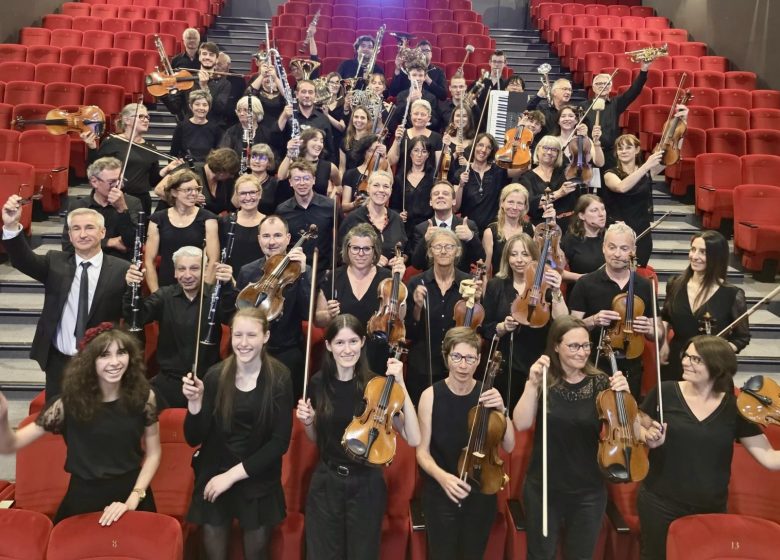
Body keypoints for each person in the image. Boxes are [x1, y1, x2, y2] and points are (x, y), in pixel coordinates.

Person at [637, 335, 780, 560]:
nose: (685, 362)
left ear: (717, 366)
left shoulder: (735, 408)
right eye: (686, 356)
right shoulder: (665, 392)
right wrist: (646, 436)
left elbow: (770, 458)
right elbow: (637, 422)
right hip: (660, 503)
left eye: (696, 359)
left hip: (709, 507)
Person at [0, 325, 159, 524]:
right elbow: (10, 444)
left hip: (132, 495)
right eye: (104, 355)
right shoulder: (67, 404)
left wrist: (134, 498)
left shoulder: (144, 397)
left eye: (121, 353)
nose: (115, 362)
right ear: (90, 362)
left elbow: (154, 454)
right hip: (84, 500)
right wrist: (2, 417)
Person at [296, 313, 419, 560]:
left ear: (362, 342)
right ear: (328, 345)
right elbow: (317, 439)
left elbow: (414, 438)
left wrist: (401, 384)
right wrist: (308, 421)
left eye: (353, 341)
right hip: (327, 482)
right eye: (340, 343)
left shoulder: (377, 385)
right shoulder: (318, 383)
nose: (347, 349)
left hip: (366, 485)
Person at [512, 316, 631, 560]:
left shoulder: (600, 382)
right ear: (556, 346)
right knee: (540, 555)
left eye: (586, 345)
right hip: (544, 488)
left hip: (588, 490)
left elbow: (627, 428)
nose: (582, 352)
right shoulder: (544, 379)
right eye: (574, 346)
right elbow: (521, 423)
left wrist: (625, 397)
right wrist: (531, 385)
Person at [182, 307, 292, 559]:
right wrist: (195, 403)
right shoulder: (215, 376)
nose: (243, 343)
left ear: (265, 336)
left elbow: (279, 443)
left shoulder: (280, 378)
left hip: (256, 475)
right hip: (215, 472)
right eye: (237, 335)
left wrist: (231, 476)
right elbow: (193, 438)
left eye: (251, 335)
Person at [2, 203, 129, 399]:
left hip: (102, 363)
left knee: (98, 415)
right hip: (58, 362)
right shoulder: (55, 261)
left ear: (102, 232)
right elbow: (22, 260)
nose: (82, 234)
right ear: (70, 235)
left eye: (89, 227)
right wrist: (11, 226)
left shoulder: (122, 269)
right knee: (58, 415)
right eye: (76, 229)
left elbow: (132, 315)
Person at [416, 326, 514, 559]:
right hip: (441, 492)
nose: (463, 365)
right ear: (446, 357)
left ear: (479, 360)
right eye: (456, 357)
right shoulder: (430, 396)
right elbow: (422, 453)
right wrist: (443, 478)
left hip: (480, 489)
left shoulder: (488, 395)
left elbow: (510, 446)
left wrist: (502, 409)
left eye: (470, 358)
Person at [124, 246, 230, 408]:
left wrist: (229, 286)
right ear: (175, 272)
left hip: (207, 382)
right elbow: (136, 318)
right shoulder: (164, 296)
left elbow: (234, 318)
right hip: (169, 382)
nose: (187, 275)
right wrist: (132, 287)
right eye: (181, 269)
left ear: (205, 271)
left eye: (194, 268)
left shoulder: (216, 296)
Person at [221, 215, 311, 400]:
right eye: (266, 236)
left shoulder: (302, 271)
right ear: (259, 239)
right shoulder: (248, 271)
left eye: (277, 235)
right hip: (253, 350)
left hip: (287, 349)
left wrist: (302, 274)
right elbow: (238, 313)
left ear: (288, 238)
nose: (271, 242)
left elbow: (306, 312)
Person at [568, 222, 658, 398]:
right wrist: (593, 320)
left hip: (632, 367)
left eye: (624, 248)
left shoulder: (645, 286)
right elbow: (571, 329)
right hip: (593, 365)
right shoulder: (585, 283)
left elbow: (658, 333)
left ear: (633, 251)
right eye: (612, 247)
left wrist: (649, 329)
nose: (617, 254)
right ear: (603, 248)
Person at [484, 233, 568, 409]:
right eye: (514, 254)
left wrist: (556, 291)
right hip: (507, 362)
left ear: (534, 257)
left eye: (525, 254)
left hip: (540, 358)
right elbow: (486, 328)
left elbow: (563, 321)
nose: (519, 260)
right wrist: (502, 327)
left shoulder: (546, 284)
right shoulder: (496, 285)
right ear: (507, 258)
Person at [314, 224, 406, 373]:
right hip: (342, 354)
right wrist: (328, 314)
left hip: (376, 354)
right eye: (355, 248)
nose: (361, 253)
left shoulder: (387, 278)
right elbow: (318, 319)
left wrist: (398, 283)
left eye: (366, 249)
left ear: (375, 251)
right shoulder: (333, 277)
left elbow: (399, 318)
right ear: (347, 249)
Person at [660, 231, 749, 382]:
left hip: (711, 368)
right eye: (693, 249)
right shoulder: (675, 284)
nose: (694, 256)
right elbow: (666, 318)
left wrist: (719, 352)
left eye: (703, 252)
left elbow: (742, 337)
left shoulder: (732, 295)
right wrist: (663, 343)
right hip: (676, 361)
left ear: (717, 257)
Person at [405, 230, 473, 405]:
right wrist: (417, 306)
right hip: (422, 364)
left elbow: (472, 330)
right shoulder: (416, 283)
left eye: (449, 247)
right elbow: (409, 332)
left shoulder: (468, 283)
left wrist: (476, 302)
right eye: (438, 247)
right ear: (430, 251)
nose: (443, 251)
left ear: (457, 251)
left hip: (457, 365)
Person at [82, 103, 183, 215]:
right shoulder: (112, 141)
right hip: (115, 197)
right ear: (127, 120)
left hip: (142, 200)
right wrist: (92, 148)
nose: (146, 120)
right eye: (141, 116)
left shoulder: (151, 147)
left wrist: (166, 169)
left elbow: (152, 181)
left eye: (147, 117)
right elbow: (95, 171)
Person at [145, 170, 219, 291]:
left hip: (197, 286)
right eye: (188, 190)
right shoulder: (158, 219)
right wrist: (156, 294)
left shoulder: (209, 219)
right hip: (166, 285)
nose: (194, 193)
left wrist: (204, 293)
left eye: (197, 189)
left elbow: (213, 260)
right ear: (174, 192)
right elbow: (149, 261)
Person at [62, 157, 142, 261]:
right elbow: (68, 246)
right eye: (112, 182)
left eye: (120, 180)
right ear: (94, 182)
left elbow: (133, 243)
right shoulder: (78, 206)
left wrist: (122, 209)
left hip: (120, 264)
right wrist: (109, 242)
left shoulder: (132, 203)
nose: (118, 186)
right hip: (86, 263)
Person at [603, 134, 665, 267]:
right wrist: (646, 166)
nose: (623, 151)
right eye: (620, 148)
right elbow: (621, 187)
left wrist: (681, 131)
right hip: (620, 229)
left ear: (637, 150)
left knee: (637, 268)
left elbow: (670, 158)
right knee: (620, 268)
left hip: (642, 229)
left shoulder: (647, 171)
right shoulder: (610, 174)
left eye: (628, 147)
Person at [581, 65, 652, 170]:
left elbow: (634, 91)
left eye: (606, 83)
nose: (602, 86)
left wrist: (644, 70)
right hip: (590, 153)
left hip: (611, 154)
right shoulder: (583, 106)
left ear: (610, 87)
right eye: (598, 83)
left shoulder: (616, 103)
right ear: (593, 87)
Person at [408, 180, 484, 273]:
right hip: (432, 280)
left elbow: (480, 259)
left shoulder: (468, 226)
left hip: (461, 280)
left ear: (454, 201)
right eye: (436, 194)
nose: (440, 196)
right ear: (431, 202)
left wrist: (470, 238)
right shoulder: (421, 229)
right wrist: (425, 240)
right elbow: (416, 264)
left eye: (445, 193)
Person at [454, 133, 524, 232]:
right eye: (480, 145)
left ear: (491, 151)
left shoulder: (499, 170)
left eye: (488, 147)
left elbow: (522, 168)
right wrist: (461, 185)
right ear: (474, 146)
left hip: (494, 230)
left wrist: (521, 145)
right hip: (469, 230)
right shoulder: (461, 172)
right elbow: (455, 207)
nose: (483, 150)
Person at [275, 160, 335, 273]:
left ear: (314, 180)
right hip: (292, 271)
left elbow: (340, 238)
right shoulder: (282, 210)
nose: (302, 183)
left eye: (306, 178)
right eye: (297, 179)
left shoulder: (331, 206)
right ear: (290, 182)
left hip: (324, 271)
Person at [339, 170, 406, 267]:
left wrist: (400, 259)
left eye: (386, 186)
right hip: (361, 274)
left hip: (389, 275)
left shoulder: (397, 219)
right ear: (368, 189)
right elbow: (340, 254)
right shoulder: (352, 219)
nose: (381, 190)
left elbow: (405, 252)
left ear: (391, 191)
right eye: (376, 185)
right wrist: (369, 259)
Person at [518, 135, 578, 229]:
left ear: (558, 154)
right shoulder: (526, 177)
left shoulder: (565, 172)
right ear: (538, 150)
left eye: (554, 150)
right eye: (545, 148)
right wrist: (559, 193)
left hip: (567, 225)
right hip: (540, 227)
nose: (549, 152)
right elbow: (530, 204)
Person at [277, 80, 338, 165]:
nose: (307, 95)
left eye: (310, 92)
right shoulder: (288, 116)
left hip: (316, 166)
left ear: (315, 95)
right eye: (303, 92)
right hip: (292, 165)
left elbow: (330, 150)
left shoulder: (323, 119)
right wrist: (283, 116)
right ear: (296, 94)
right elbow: (275, 139)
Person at [482, 183, 536, 277]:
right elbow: (485, 270)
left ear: (525, 206)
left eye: (519, 203)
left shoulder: (532, 229)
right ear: (502, 203)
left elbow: (536, 263)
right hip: (500, 283)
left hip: (525, 283)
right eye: (510, 202)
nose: (514, 207)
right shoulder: (490, 232)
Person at [391, 135, 435, 238]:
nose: (419, 155)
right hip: (405, 229)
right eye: (416, 150)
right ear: (410, 153)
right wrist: (399, 214)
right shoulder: (400, 178)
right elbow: (393, 207)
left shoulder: (434, 177)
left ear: (428, 155)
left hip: (427, 228)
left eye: (424, 151)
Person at [277, 128, 341, 198]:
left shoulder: (329, 167)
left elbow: (339, 186)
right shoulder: (294, 163)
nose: (319, 144)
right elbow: (281, 177)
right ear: (304, 142)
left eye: (321, 141)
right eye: (315, 140)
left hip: (320, 204)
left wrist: (331, 198)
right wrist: (290, 152)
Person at [220, 95, 281, 168]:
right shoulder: (231, 132)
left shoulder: (266, 133)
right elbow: (223, 158)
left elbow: (275, 161)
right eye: (239, 110)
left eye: (246, 110)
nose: (241, 114)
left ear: (256, 112)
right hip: (237, 172)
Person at [223, 175, 266, 274]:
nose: (248, 197)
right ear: (237, 196)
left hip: (260, 279)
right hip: (230, 278)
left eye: (252, 192)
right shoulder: (225, 222)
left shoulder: (268, 223)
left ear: (259, 194)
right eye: (243, 193)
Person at [560, 194, 607, 282]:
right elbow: (557, 271)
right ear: (581, 215)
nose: (601, 214)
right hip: (581, 288)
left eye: (603, 209)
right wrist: (582, 278)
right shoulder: (570, 240)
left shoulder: (610, 237)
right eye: (594, 210)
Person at [387, 69, 442, 139]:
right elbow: (397, 118)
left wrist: (421, 101)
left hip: (425, 136)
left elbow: (435, 123)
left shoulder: (431, 97)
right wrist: (408, 101)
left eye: (420, 75)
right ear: (409, 76)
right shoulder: (401, 95)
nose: (417, 78)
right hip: (406, 135)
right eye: (414, 75)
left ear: (424, 77)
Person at [170, 89, 222, 163]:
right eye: (197, 104)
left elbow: (218, 154)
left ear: (209, 107)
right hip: (186, 167)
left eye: (205, 105)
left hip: (208, 167)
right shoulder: (181, 126)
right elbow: (173, 153)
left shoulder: (215, 128)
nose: (201, 108)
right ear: (190, 106)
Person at [339, 134, 387, 213]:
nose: (375, 154)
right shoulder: (351, 174)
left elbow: (391, 181)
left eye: (378, 151)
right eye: (371, 150)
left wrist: (385, 156)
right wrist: (354, 204)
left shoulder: (382, 174)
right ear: (364, 152)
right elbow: (344, 207)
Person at [339, 106, 372, 174]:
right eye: (356, 117)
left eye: (362, 118)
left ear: (368, 121)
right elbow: (342, 168)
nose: (359, 120)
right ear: (352, 120)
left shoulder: (373, 141)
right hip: (348, 179)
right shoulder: (345, 142)